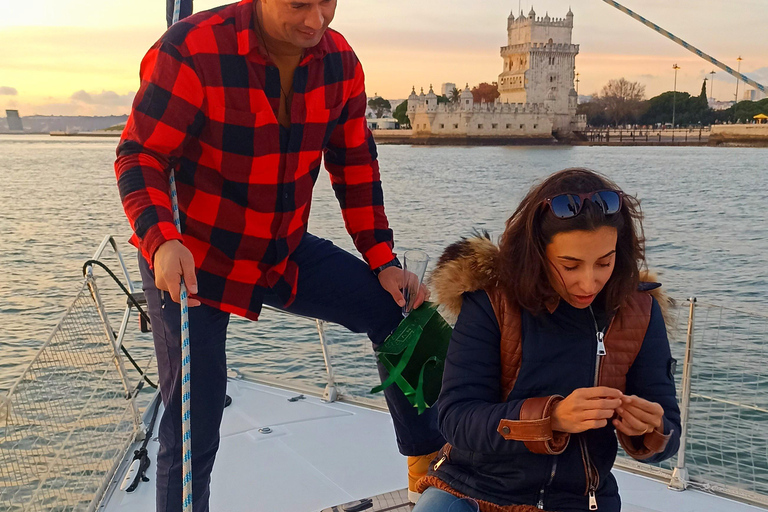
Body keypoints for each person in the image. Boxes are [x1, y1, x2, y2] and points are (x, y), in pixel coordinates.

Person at [114, 1, 443, 510]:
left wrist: (382, 259)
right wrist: (160, 240)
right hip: (191, 258)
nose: (316, 21)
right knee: (193, 424)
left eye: (327, 2)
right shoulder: (193, 48)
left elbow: (354, 162)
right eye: (298, 4)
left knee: (400, 313)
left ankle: (434, 474)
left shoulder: (340, 64)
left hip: (280, 249)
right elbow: (140, 154)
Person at [413, 168, 681, 512]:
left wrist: (652, 427)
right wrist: (550, 419)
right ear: (538, 253)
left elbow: (668, 433)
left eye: (604, 262)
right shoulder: (492, 303)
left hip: (579, 500)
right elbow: (456, 419)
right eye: (570, 266)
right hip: (472, 489)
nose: (589, 283)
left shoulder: (640, 313)